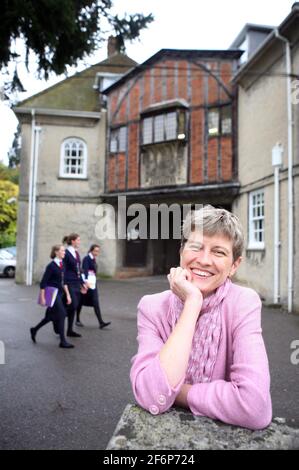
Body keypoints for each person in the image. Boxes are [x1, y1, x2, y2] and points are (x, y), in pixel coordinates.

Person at [130, 205, 272, 430]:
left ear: (234, 265)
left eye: (218, 252)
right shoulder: (152, 307)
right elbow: (150, 396)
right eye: (196, 247)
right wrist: (192, 303)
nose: (204, 260)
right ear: (181, 252)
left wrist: (176, 392)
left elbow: (254, 407)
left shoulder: (243, 303)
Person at [30, 244, 74, 349]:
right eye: (63, 251)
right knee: (62, 314)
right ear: (56, 252)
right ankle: (63, 341)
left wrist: (68, 295)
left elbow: (64, 282)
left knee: (50, 317)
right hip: (51, 293)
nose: (64, 252)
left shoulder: (62, 264)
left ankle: (34, 329)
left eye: (64, 251)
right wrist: (43, 297)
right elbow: (43, 282)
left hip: (60, 293)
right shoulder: (51, 266)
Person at [76, 244, 111, 329]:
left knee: (95, 302)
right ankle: (77, 319)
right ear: (91, 250)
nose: (97, 252)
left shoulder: (93, 259)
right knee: (80, 302)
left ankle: (101, 322)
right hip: (88, 284)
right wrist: (85, 283)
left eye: (98, 251)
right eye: (95, 251)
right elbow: (85, 270)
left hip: (92, 284)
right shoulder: (87, 259)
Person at [63, 233, 88, 338]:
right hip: (69, 283)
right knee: (72, 306)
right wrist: (64, 284)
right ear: (72, 241)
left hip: (76, 282)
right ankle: (57, 319)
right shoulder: (67, 253)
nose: (79, 242)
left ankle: (69, 330)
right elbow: (63, 270)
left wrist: (82, 283)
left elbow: (78, 270)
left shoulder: (76, 253)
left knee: (74, 306)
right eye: (78, 240)